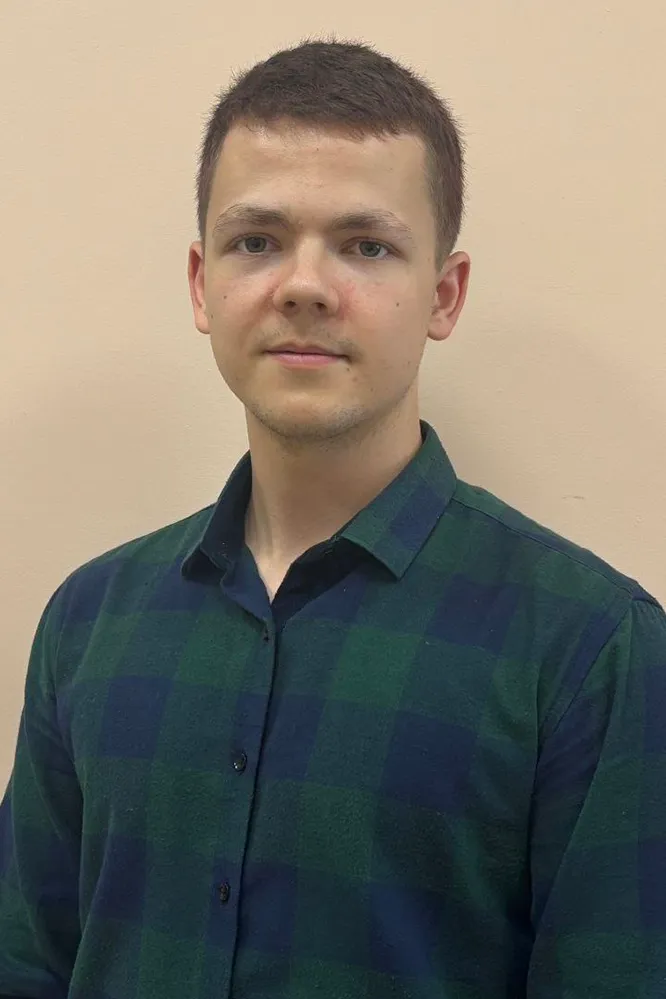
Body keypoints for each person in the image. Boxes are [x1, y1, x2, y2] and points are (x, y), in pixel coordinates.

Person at [1, 33, 664, 999]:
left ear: (443, 295)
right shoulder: (88, 620)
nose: (304, 285)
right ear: (201, 283)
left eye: (366, 245)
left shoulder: (591, 649)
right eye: (256, 241)